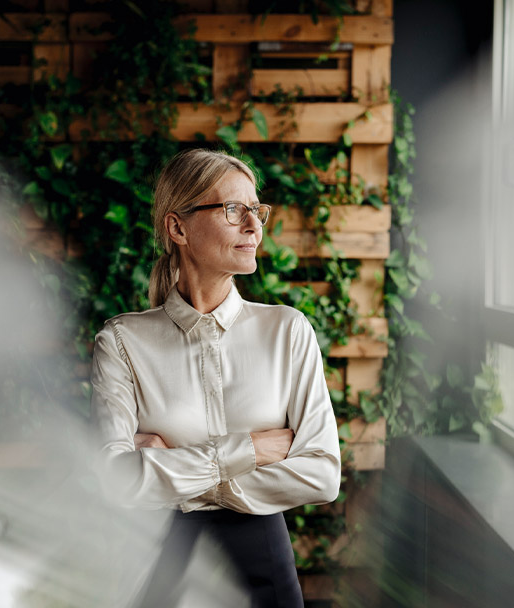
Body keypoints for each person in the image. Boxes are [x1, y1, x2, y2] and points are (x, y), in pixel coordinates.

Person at [90, 148, 341, 607]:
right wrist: (252, 449)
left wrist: (176, 472)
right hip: (156, 566)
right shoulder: (122, 342)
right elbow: (114, 481)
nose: (254, 225)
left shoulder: (287, 331)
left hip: (264, 570)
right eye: (232, 209)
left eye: (256, 209)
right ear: (177, 227)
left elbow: (322, 475)